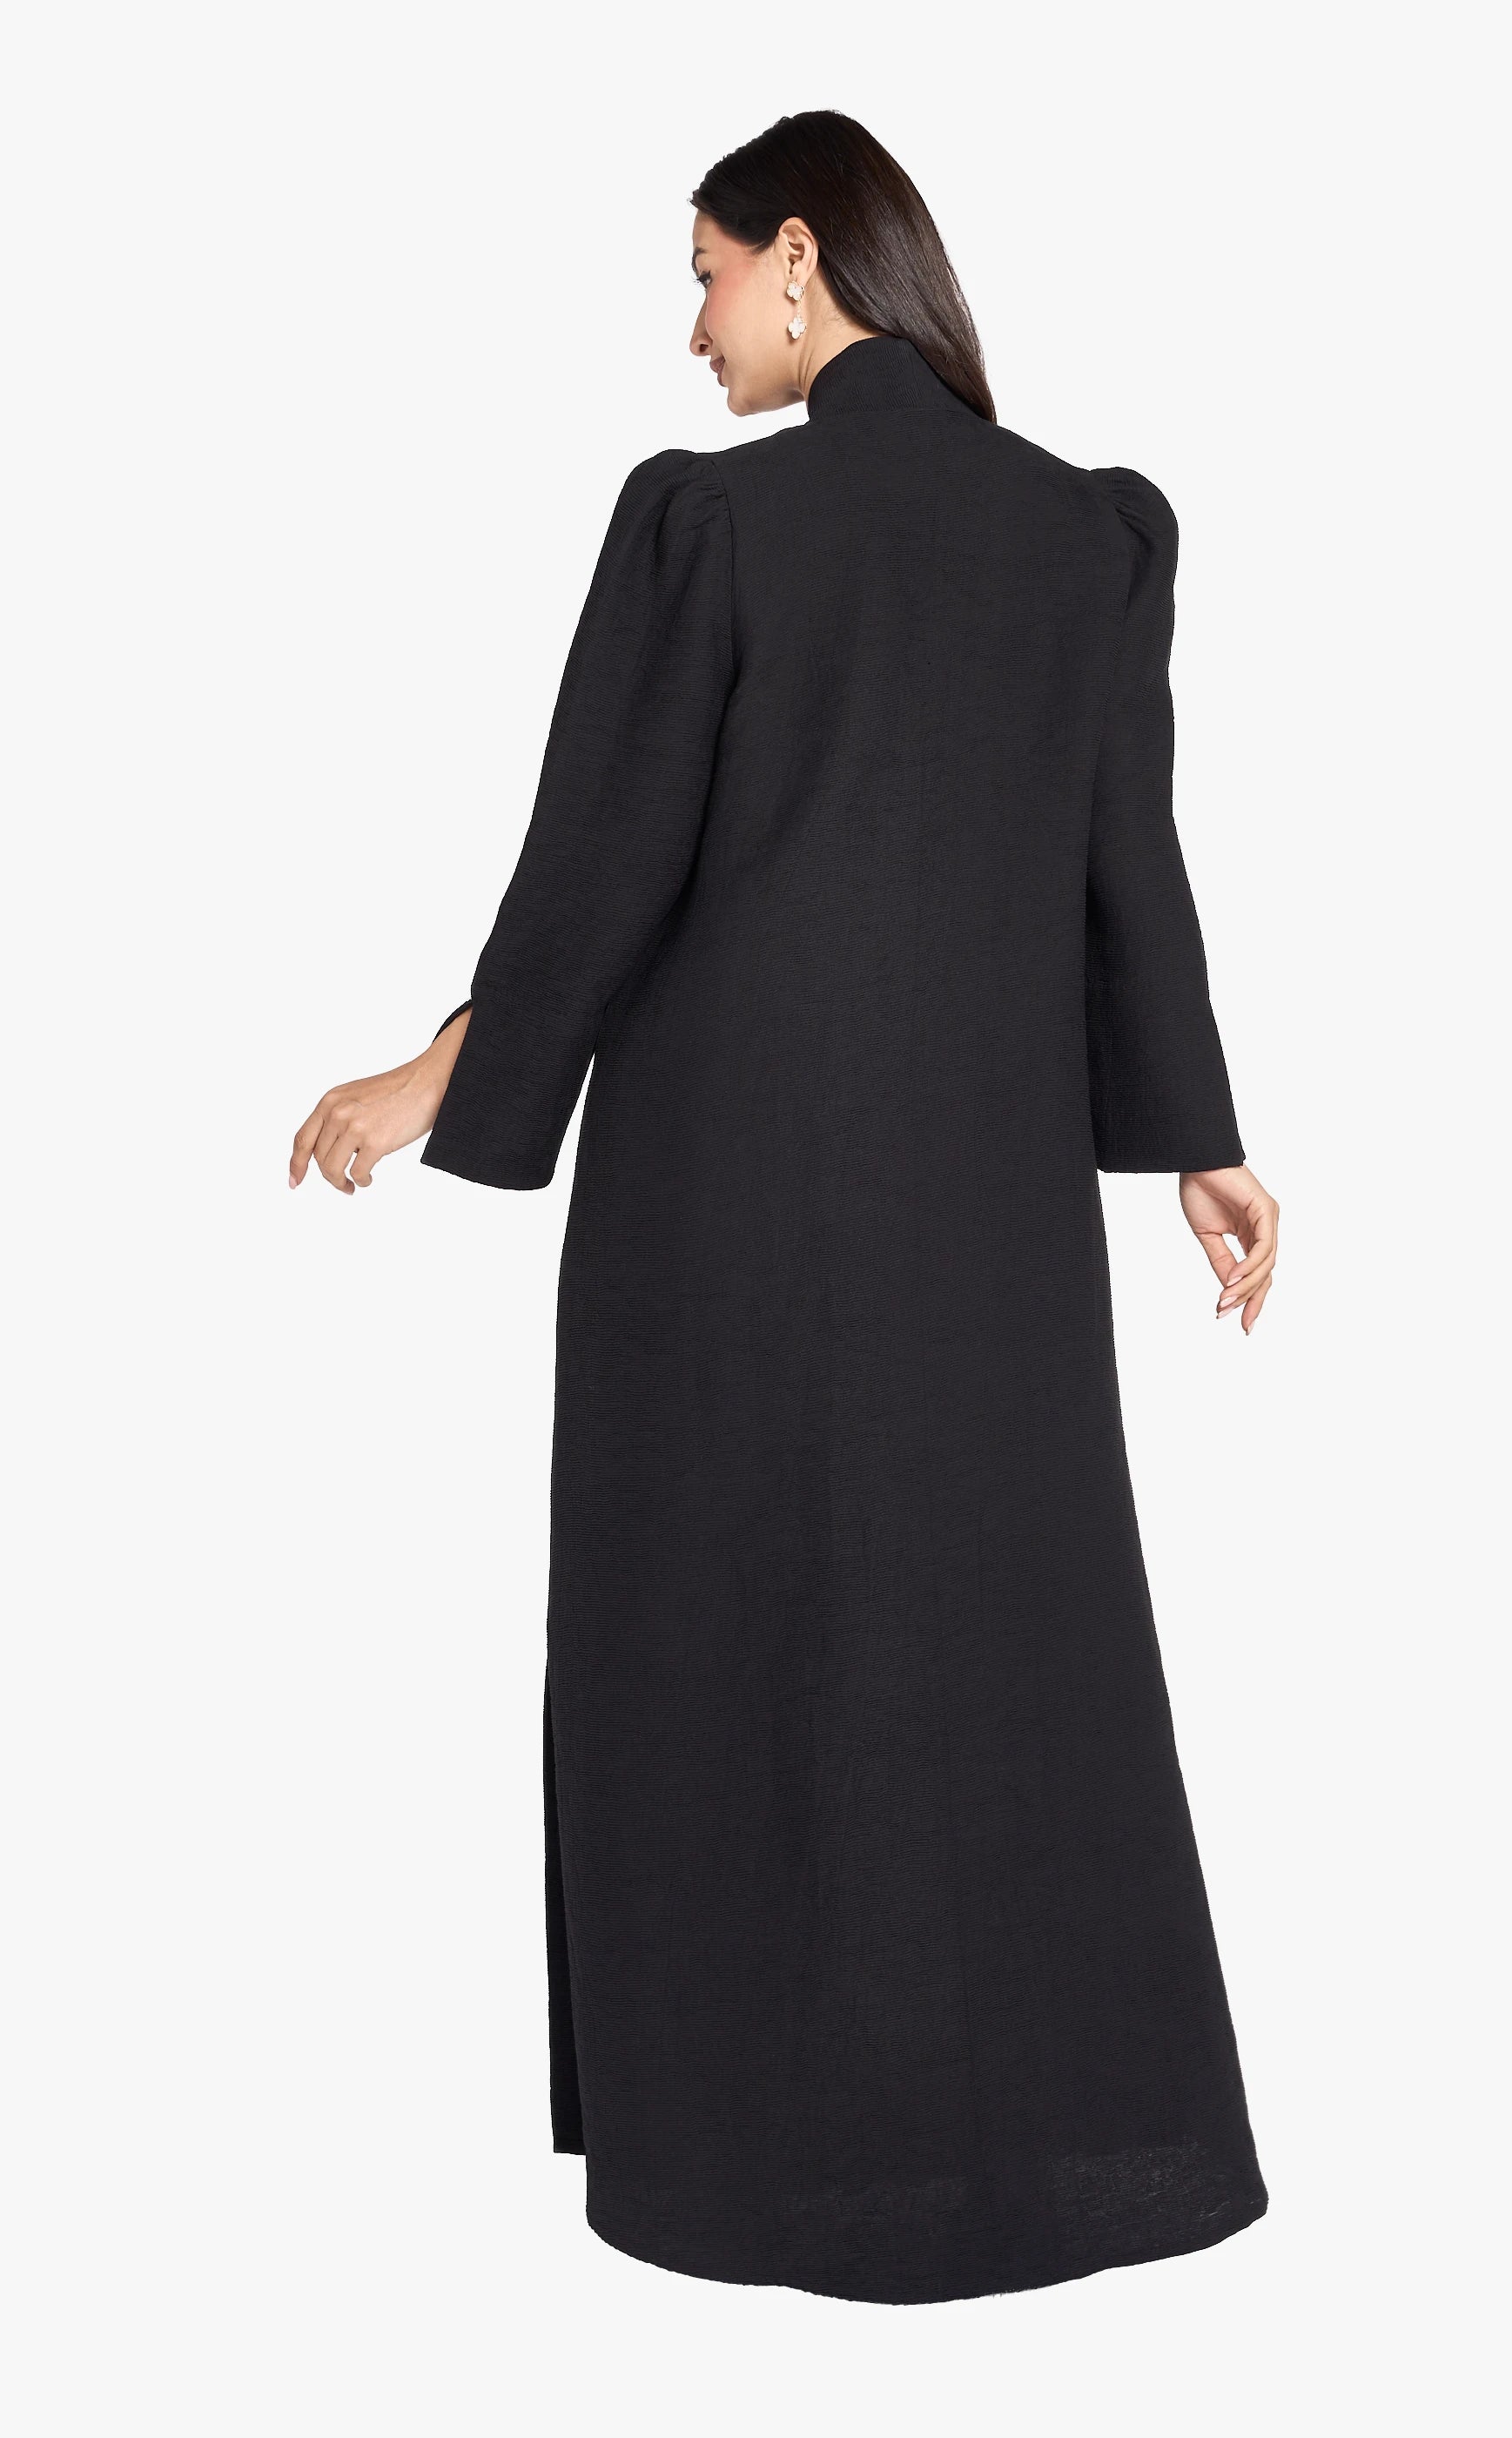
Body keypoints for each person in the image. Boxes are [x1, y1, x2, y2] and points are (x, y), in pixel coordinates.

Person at [291, 110, 1277, 2306]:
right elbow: (1129, 863)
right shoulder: (1094, 535)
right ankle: (1047, 2164)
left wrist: (437, 1067)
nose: (695, 327)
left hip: (722, 1214)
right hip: (989, 1227)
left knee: (712, 1647)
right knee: (1008, 1654)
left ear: (806, 259)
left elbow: (600, 866)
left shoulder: (710, 523)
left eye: (708, 271)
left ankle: (743, 2169)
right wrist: (1198, 1135)